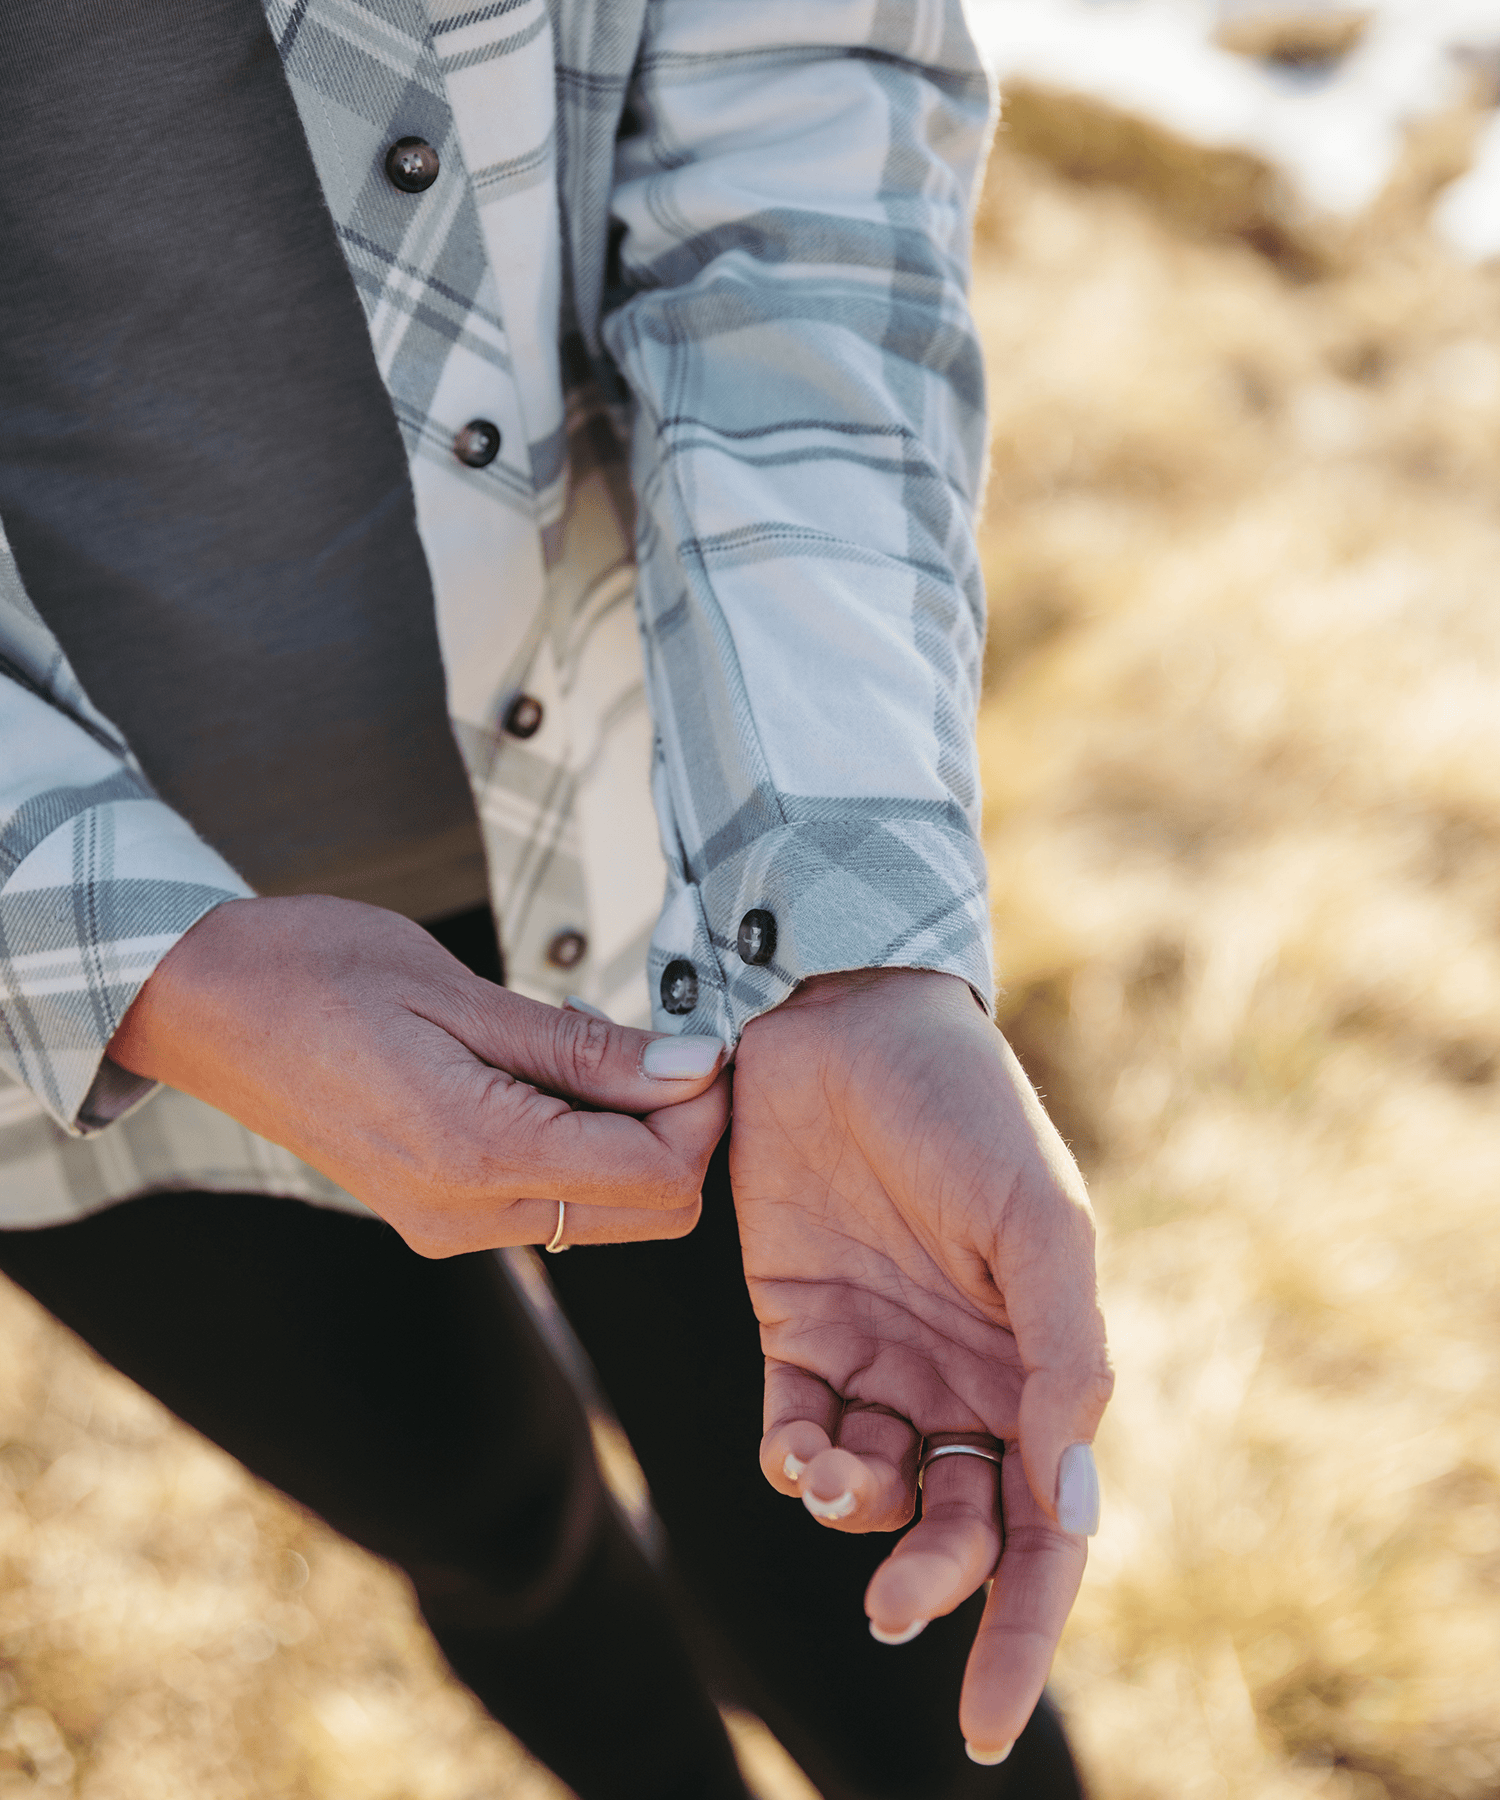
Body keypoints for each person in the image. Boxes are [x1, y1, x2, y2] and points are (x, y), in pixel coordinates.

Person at [0, 1, 1113, 1797]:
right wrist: (139, 964)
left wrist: (850, 938)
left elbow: (799, 98)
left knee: (867, 1564)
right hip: (59, 1039)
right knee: (480, 1516)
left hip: (653, 814)